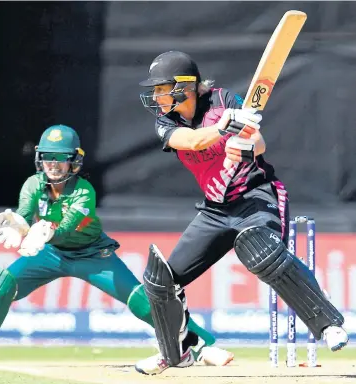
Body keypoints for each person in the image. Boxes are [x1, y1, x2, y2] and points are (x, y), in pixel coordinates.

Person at [135, 51, 349, 375]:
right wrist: (222, 130)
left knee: (260, 252)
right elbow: (191, 141)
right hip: (215, 209)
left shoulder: (224, 100)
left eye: (162, 88)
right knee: (161, 280)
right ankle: (177, 351)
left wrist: (246, 147)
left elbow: (259, 142)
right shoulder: (166, 122)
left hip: (256, 196)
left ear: (185, 87)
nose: (156, 96)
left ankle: (327, 323)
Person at [0, 124, 233, 367]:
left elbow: (68, 225)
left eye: (60, 159)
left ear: (74, 161)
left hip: (94, 256)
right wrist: (19, 225)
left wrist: (46, 230)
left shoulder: (84, 191)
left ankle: (202, 346)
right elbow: (24, 213)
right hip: (49, 255)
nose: (53, 164)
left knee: (143, 303)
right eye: (48, 157)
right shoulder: (33, 185)